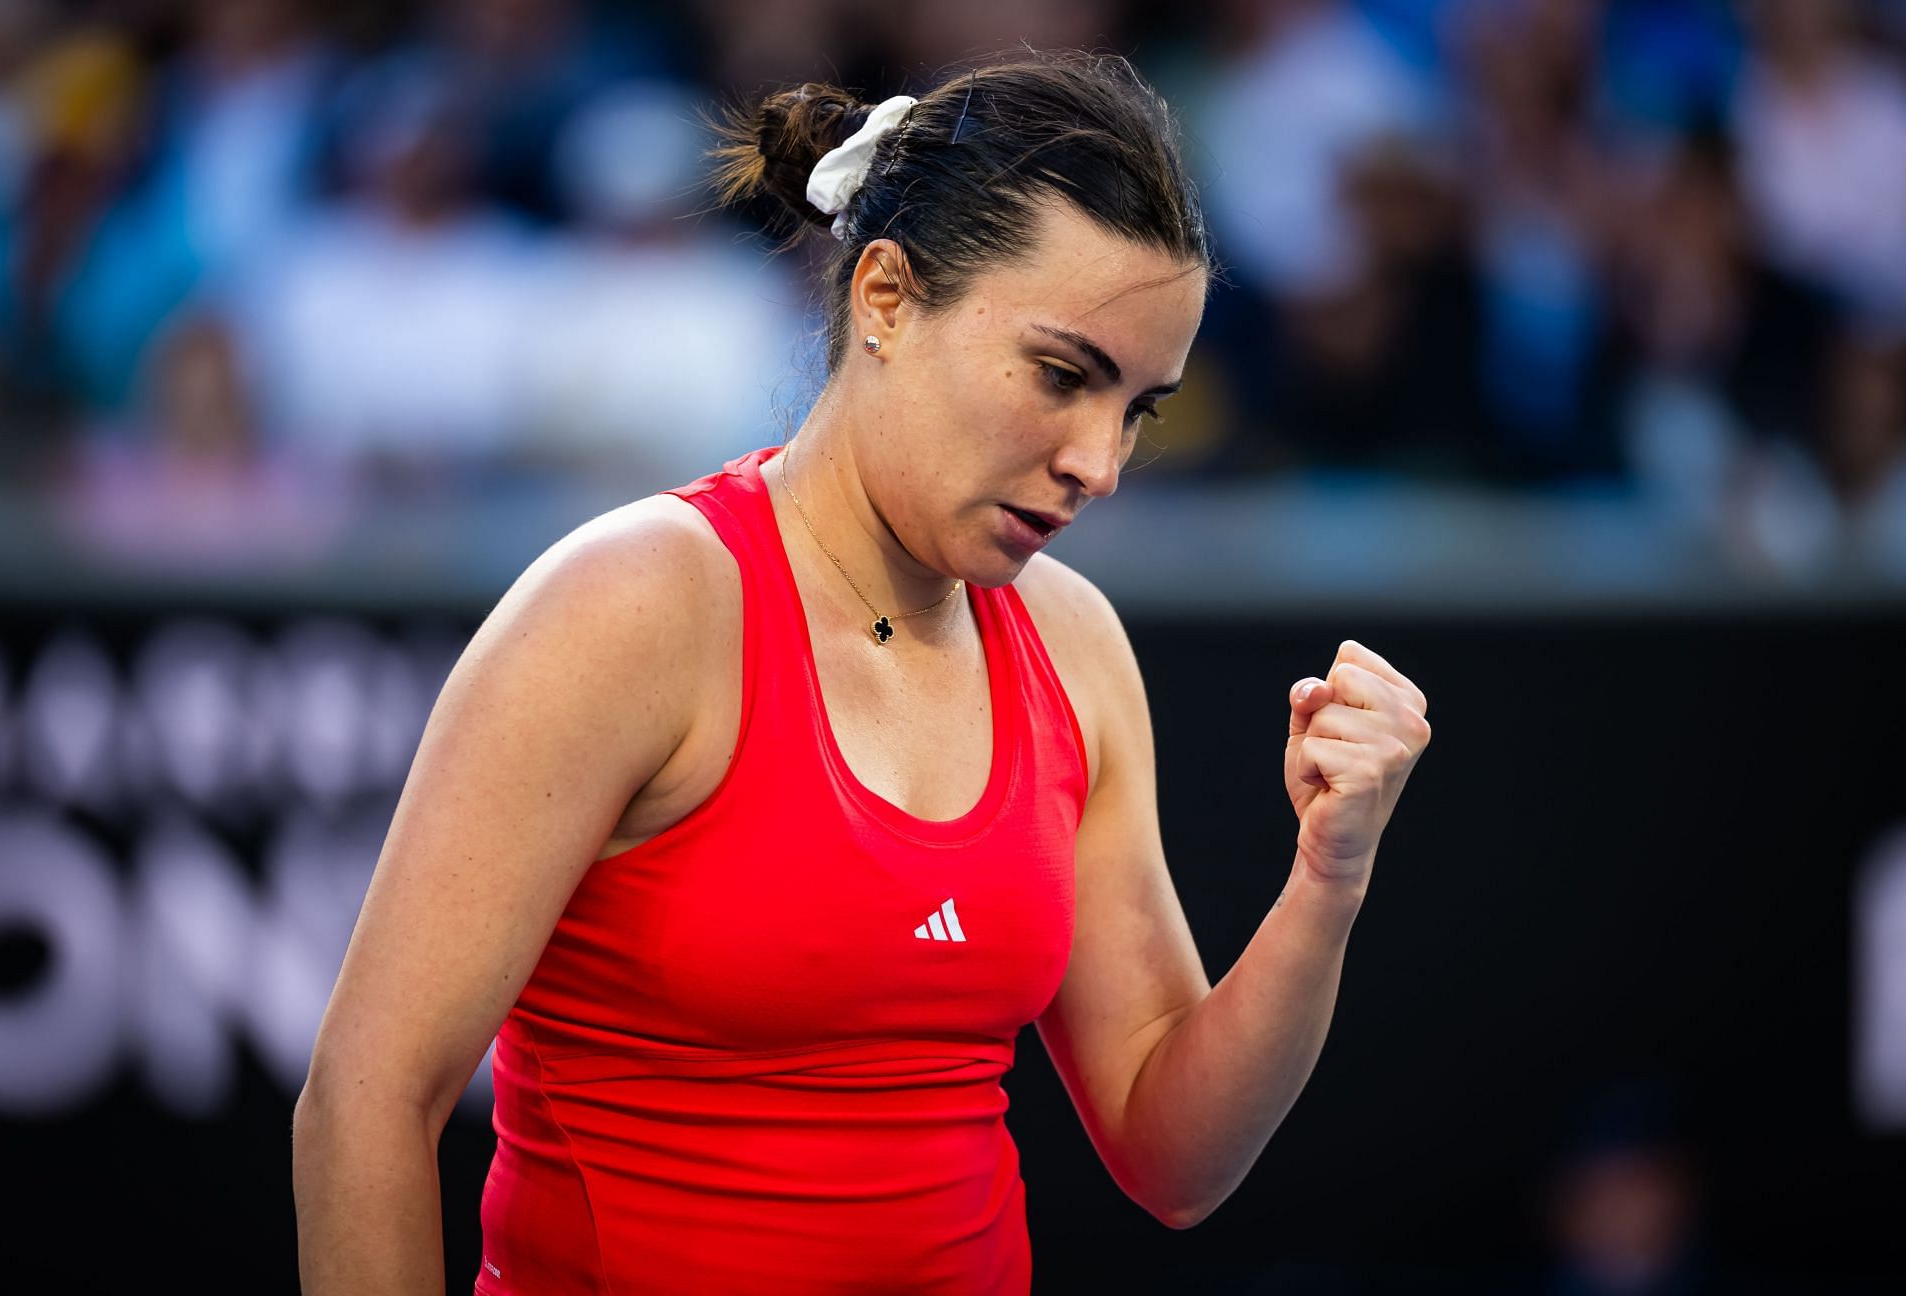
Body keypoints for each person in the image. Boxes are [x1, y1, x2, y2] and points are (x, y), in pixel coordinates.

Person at [292, 48, 1433, 1295]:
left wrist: (1328, 879)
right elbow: (365, 1099)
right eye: (1064, 376)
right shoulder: (629, 608)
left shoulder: (1076, 644)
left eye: (1139, 409)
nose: (1100, 462)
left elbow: (1176, 1154)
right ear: (885, 297)